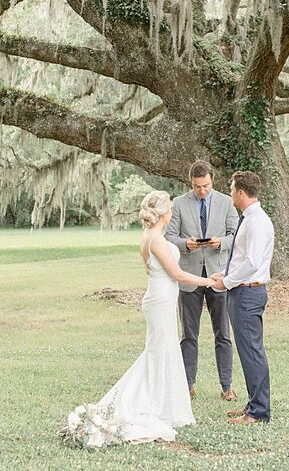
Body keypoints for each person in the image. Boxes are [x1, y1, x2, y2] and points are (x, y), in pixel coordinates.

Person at [61, 191, 215, 446]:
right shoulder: (155, 239)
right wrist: (208, 281)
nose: (174, 213)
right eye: (171, 209)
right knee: (157, 352)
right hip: (161, 301)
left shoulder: (151, 236)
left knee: (161, 351)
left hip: (160, 298)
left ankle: (165, 404)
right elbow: (177, 274)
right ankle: (146, 403)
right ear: (163, 212)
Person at [165, 160, 239, 401]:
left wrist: (223, 243)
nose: (202, 191)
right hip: (189, 276)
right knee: (189, 334)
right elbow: (168, 236)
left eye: (206, 185)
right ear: (191, 183)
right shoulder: (178, 204)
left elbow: (236, 234)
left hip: (218, 276)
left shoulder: (227, 202)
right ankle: (187, 385)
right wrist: (186, 244)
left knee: (223, 333)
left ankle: (226, 385)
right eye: (197, 187)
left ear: (212, 181)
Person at [210, 170, 274, 425]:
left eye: (232, 188)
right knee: (248, 351)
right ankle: (253, 404)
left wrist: (226, 282)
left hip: (248, 293)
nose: (230, 194)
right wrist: (224, 273)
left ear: (241, 193)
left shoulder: (257, 221)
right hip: (242, 289)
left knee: (252, 352)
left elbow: (252, 262)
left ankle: (258, 412)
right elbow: (241, 259)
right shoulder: (249, 218)